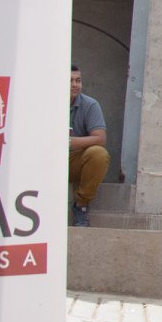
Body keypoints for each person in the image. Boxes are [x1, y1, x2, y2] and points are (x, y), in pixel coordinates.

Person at [69, 65, 109, 227]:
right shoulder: (44, 102)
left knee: (98, 154)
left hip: (73, 161)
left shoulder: (90, 104)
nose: (75, 85)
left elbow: (100, 138)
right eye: (70, 81)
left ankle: (81, 206)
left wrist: (67, 142)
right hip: (46, 160)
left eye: (78, 80)